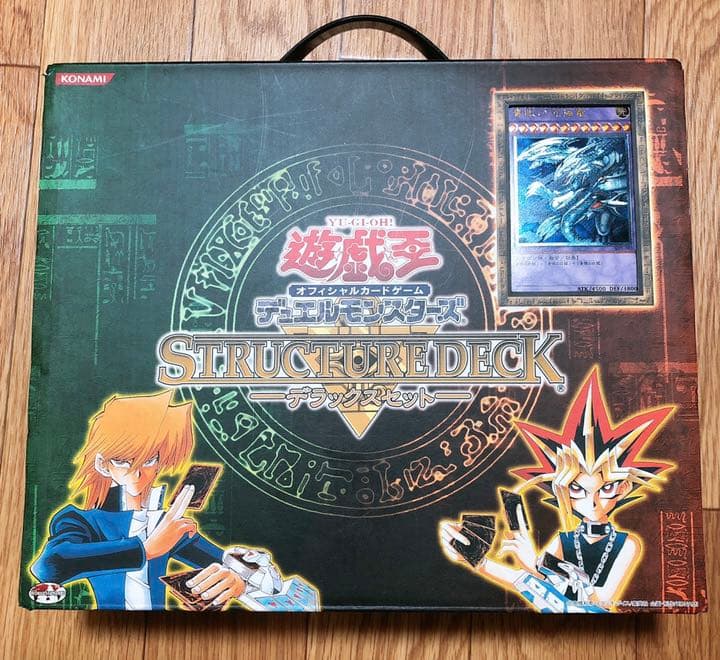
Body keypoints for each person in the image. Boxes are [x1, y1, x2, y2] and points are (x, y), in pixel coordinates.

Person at [440, 367, 675, 611]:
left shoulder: (627, 544)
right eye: (578, 490)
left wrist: (537, 564)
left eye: (605, 489)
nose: (592, 502)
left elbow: (598, 602)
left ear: (623, 487)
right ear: (562, 490)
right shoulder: (564, 540)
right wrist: (477, 559)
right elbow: (528, 582)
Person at [30, 390, 246, 610]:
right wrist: (147, 549)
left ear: (160, 461)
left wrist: (237, 582)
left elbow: (229, 567)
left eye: (149, 460)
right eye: (122, 461)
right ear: (103, 465)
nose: (137, 473)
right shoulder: (83, 521)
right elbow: (48, 566)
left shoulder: (165, 524)